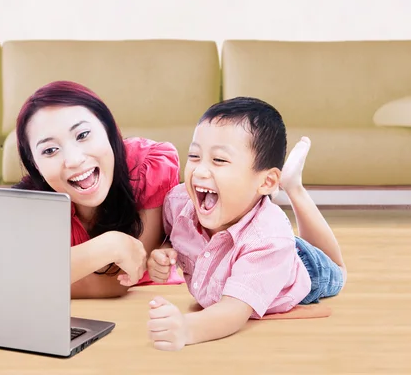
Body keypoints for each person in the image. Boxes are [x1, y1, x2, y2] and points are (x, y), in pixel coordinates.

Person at [145, 97, 347, 351]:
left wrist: (187, 328)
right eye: (194, 156)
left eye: (219, 160)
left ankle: (293, 186)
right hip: (251, 241)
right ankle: (287, 184)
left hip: (300, 267)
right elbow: (168, 235)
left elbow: (233, 311)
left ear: (265, 182)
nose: (200, 171)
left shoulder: (270, 240)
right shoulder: (178, 202)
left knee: (337, 270)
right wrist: (163, 251)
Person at [12, 80, 182, 299]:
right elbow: (7, 280)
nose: (73, 160)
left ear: (107, 129)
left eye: (83, 135)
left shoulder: (147, 167)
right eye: (50, 150)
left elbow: (125, 276)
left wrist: (46, 274)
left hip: (152, 304)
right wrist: (109, 246)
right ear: (35, 164)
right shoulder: (32, 204)